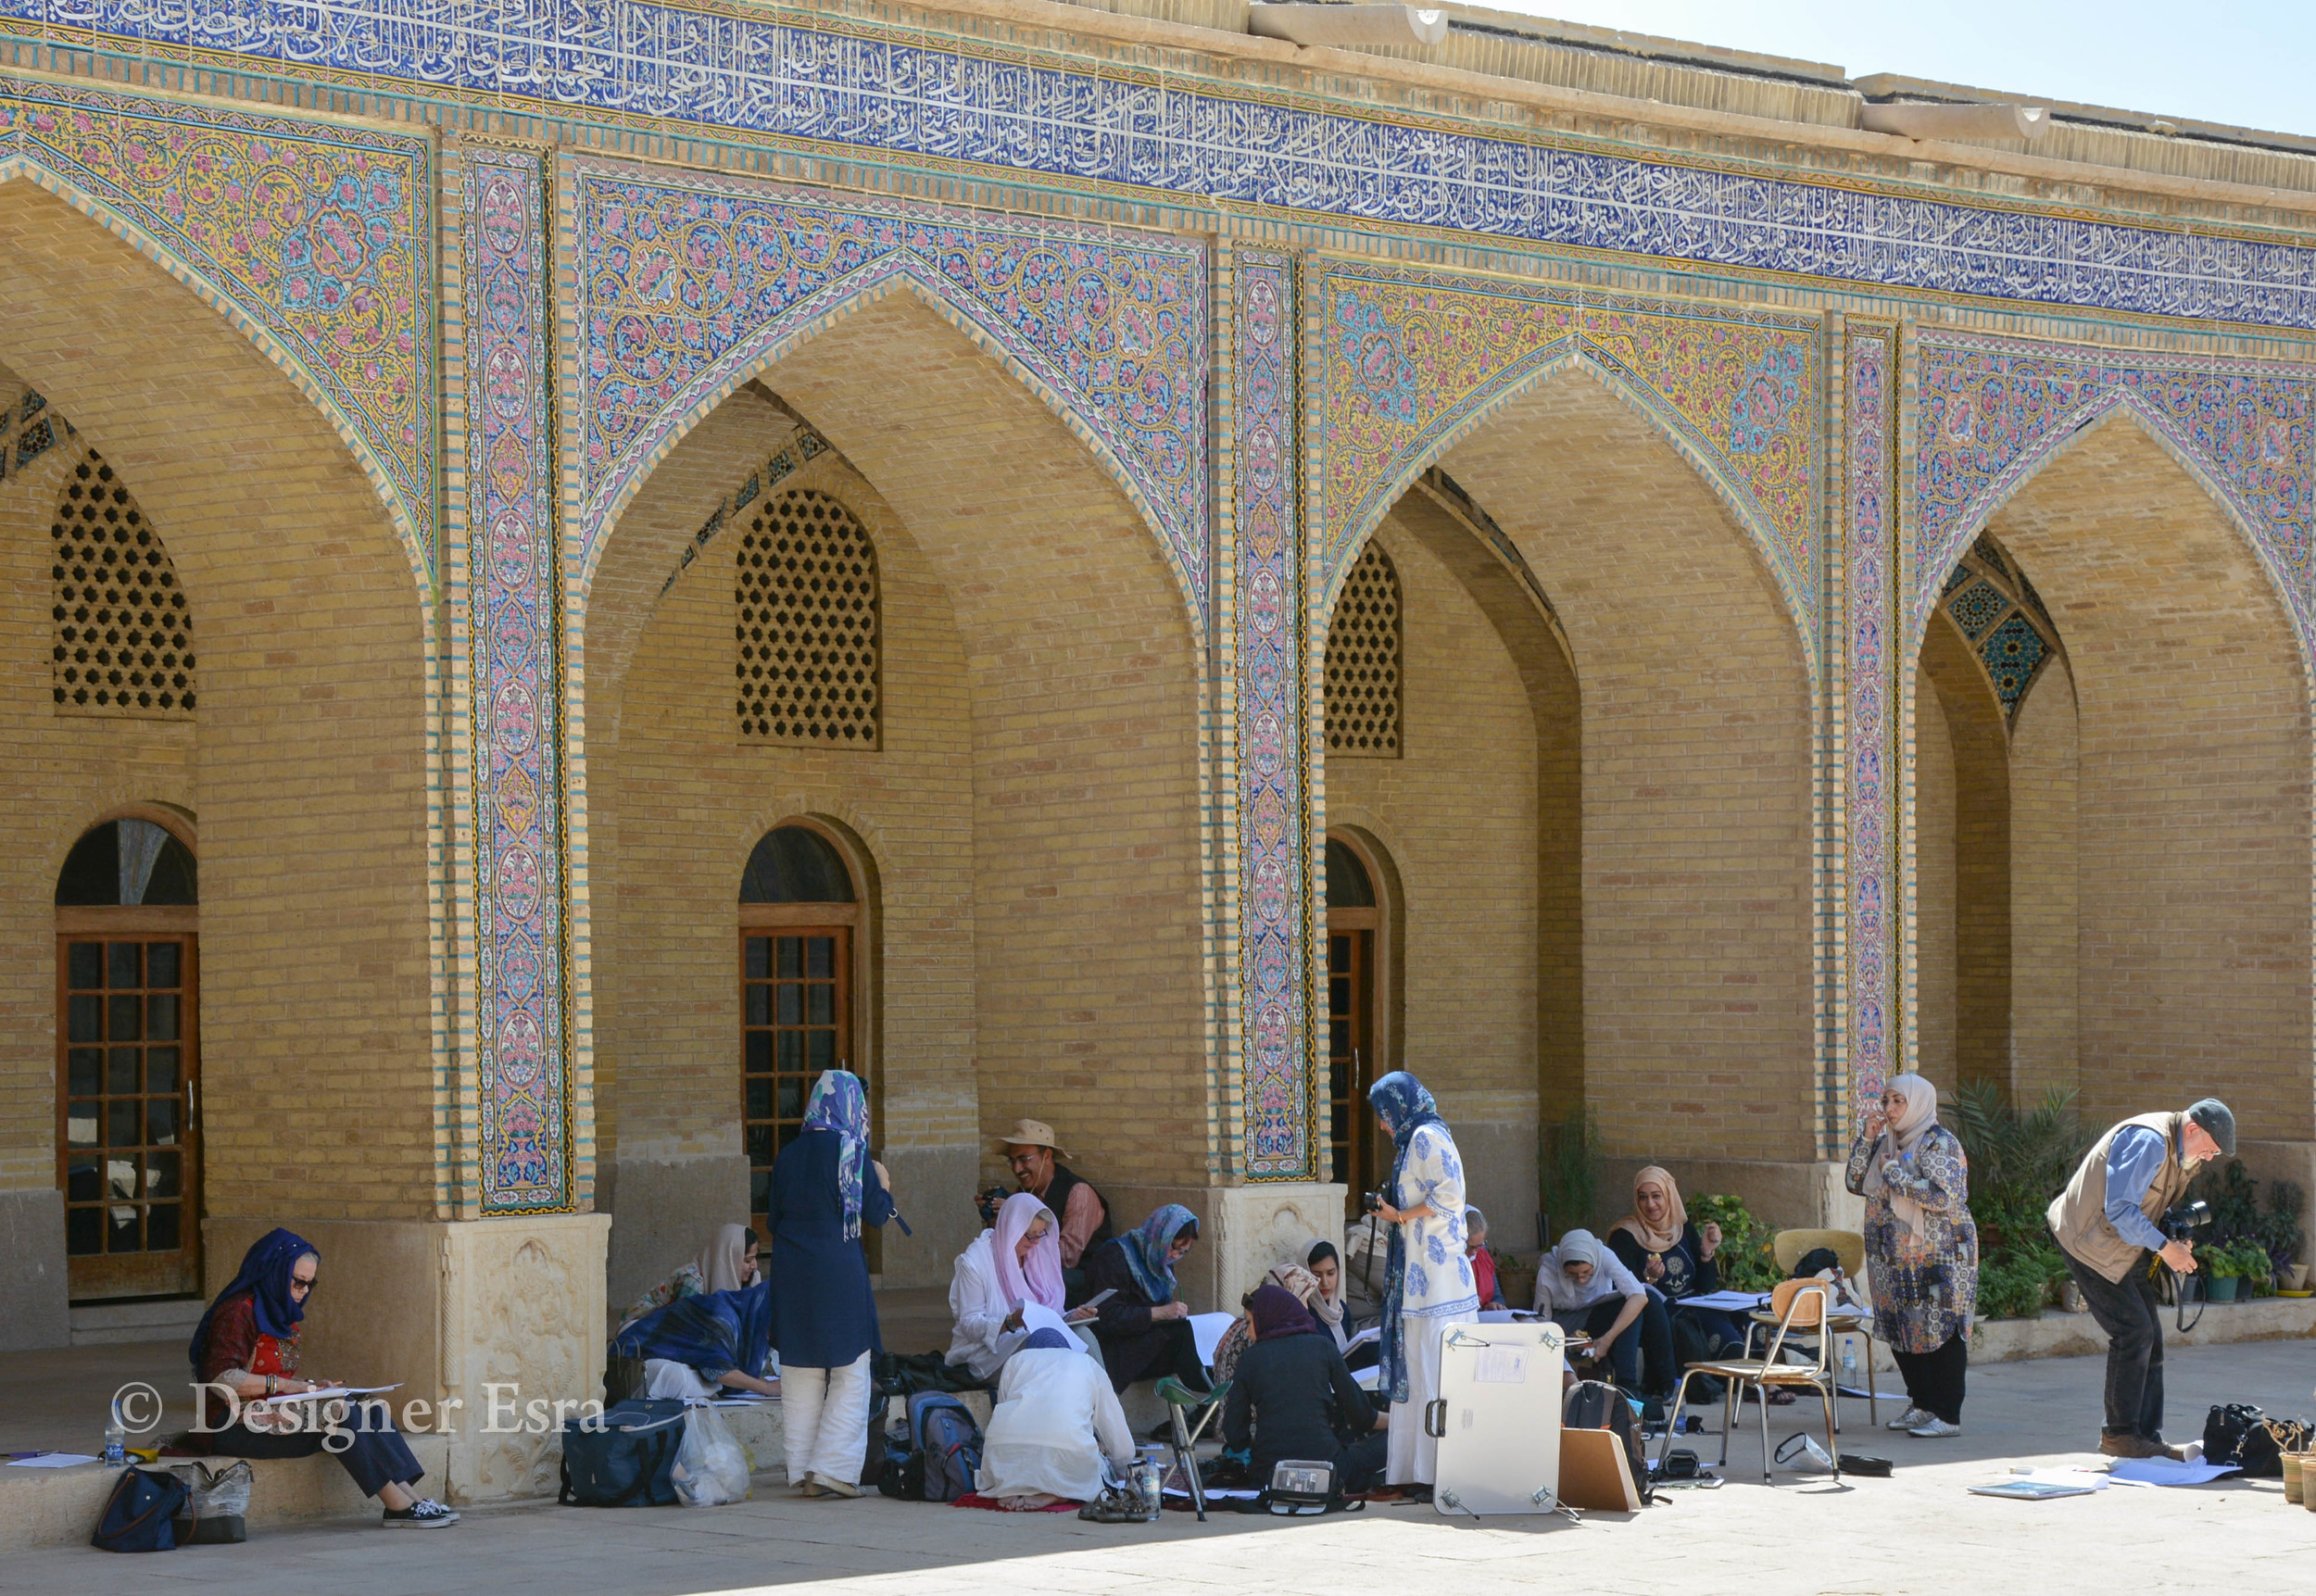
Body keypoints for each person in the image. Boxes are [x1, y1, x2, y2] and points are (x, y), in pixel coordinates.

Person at [187, 1228, 458, 1527]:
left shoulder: (279, 1312)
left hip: (273, 1415)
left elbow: (272, 1373)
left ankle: (411, 1498)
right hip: (233, 1424)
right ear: (275, 1273)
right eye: (298, 1282)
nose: (304, 1291)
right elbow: (223, 1380)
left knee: (368, 1407)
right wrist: (289, 1386)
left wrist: (314, 1388)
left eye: (310, 1283)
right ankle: (397, 1506)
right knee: (338, 1413)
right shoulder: (238, 1312)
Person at [2046, 1098, 2234, 1461]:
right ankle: (2120, 1435)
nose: (2210, 1158)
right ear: (2193, 1129)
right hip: (2087, 1242)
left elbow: (2149, 1205)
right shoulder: (2148, 1141)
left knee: (2151, 1336)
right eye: (2210, 1149)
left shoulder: (2180, 1149)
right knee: (2133, 1332)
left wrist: (2172, 1235)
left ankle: (2146, 1436)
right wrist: (2166, 1248)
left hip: (2122, 1243)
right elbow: (2119, 1209)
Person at [768, 1069, 895, 1497]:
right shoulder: (853, 1153)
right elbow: (876, 1215)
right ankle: (834, 1470)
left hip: (791, 1273)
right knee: (849, 1369)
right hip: (838, 1273)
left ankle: (804, 1471)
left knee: (800, 1371)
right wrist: (883, 1182)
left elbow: (773, 1220)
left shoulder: (787, 1155)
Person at [1845, 1074, 1978, 1439]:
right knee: (1903, 1327)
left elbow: (1942, 1197)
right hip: (1892, 1255)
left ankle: (1947, 1414)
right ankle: (1922, 1404)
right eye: (1886, 1101)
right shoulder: (1888, 1141)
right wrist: (1867, 1140)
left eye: (1898, 1102)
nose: (1889, 1109)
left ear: (1918, 1103)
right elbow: (1856, 1183)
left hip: (1941, 1254)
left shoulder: (1939, 1144)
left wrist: (1893, 1172)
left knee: (1941, 1330)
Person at [1366, 1072, 1477, 1496]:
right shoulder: (1423, 1136)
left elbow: (1450, 1195)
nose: (1382, 1124)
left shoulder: (1425, 1137)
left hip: (1437, 1286)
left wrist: (1398, 1216)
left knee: (1434, 1375)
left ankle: (1437, 1475)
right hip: (1427, 1285)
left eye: (1383, 1113)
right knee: (1421, 1375)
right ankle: (1420, 1474)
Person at [1223, 1283, 1389, 1499]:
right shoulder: (1323, 1347)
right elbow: (1363, 1416)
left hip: (1269, 1474)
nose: (1246, 1333)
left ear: (1266, 1318)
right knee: (1387, 1442)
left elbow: (1235, 1434)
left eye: (1249, 1323)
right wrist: (1403, 1426)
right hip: (1330, 1470)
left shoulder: (1250, 1359)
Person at [974, 1327, 1138, 1508]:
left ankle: (1011, 1490)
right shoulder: (1086, 1363)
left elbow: (1005, 1411)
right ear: (1066, 1349)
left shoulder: (1016, 1361)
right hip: (1065, 1454)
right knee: (1098, 1471)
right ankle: (1056, 1494)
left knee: (1020, 1457)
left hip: (1005, 1456)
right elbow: (1119, 1440)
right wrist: (1123, 1467)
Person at [1605, 1166, 1744, 1378]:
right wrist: (1648, 1278)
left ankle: (1763, 1380)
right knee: (1721, 1335)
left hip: (1694, 1305)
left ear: (1669, 1195)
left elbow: (1704, 1286)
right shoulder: (1625, 1236)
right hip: (1660, 1313)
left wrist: (1706, 1254)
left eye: (1656, 1196)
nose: (1650, 1204)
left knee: (1748, 1323)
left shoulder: (1682, 1228)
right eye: (1643, 1197)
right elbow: (1621, 1291)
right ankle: (1750, 1385)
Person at [946, 1191, 1100, 1381]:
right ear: (1012, 1229)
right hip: (988, 1355)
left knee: (1082, 1333)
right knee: (1047, 1342)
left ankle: (1101, 1403)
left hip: (1035, 1340)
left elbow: (1049, 1316)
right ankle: (1084, 1403)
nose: (1035, 1242)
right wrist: (1011, 1321)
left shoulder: (1036, 1256)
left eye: (1040, 1234)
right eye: (1029, 1235)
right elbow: (970, 1324)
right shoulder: (976, 1262)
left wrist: (1072, 1317)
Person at [1080, 1203, 1210, 1394]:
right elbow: (1106, 1316)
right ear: (1160, 1236)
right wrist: (1159, 1313)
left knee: (1198, 1333)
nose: (1175, 1255)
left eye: (1182, 1252)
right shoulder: (1115, 1255)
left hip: (1146, 1345)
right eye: (1173, 1247)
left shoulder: (1159, 1261)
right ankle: (1210, 1398)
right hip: (1116, 1350)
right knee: (1182, 1335)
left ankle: (1214, 1396)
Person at [1534, 1229, 1674, 1398]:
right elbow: (1541, 1325)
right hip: (1568, 1326)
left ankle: (1667, 1383)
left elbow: (1639, 1296)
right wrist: (1567, 1342)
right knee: (1629, 1307)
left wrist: (1608, 1339)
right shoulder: (1548, 1269)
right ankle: (1627, 1386)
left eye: (1587, 1273)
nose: (1581, 1280)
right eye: (1573, 1275)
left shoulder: (1604, 1255)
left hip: (1599, 1313)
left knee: (1648, 1300)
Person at [614, 1279, 782, 1400]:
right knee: (680, 1378)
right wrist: (766, 1388)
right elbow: (717, 1371)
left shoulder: (747, 1320)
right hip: (628, 1366)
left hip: (659, 1365)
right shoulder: (721, 1316)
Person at [995, 1118, 1114, 1279]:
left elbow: (1066, 1258)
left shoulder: (1078, 1193)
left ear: (1047, 1156)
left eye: (1024, 1159)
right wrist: (997, 1217)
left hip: (1081, 1281)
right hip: (1039, 1273)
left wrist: (1023, 1227)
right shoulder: (1023, 1193)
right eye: (1012, 1161)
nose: (1017, 1169)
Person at [619, 1223, 760, 1330]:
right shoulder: (692, 1281)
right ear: (728, 1260)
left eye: (754, 1259)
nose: (754, 1266)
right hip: (642, 1332)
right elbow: (684, 1330)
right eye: (748, 1260)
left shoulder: (748, 1280)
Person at [1465, 1206, 1508, 1310]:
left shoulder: (1483, 1258)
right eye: (1470, 1247)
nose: (1475, 1252)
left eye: (1480, 1245)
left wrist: (1496, 1304)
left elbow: (1497, 1296)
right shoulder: (1450, 1263)